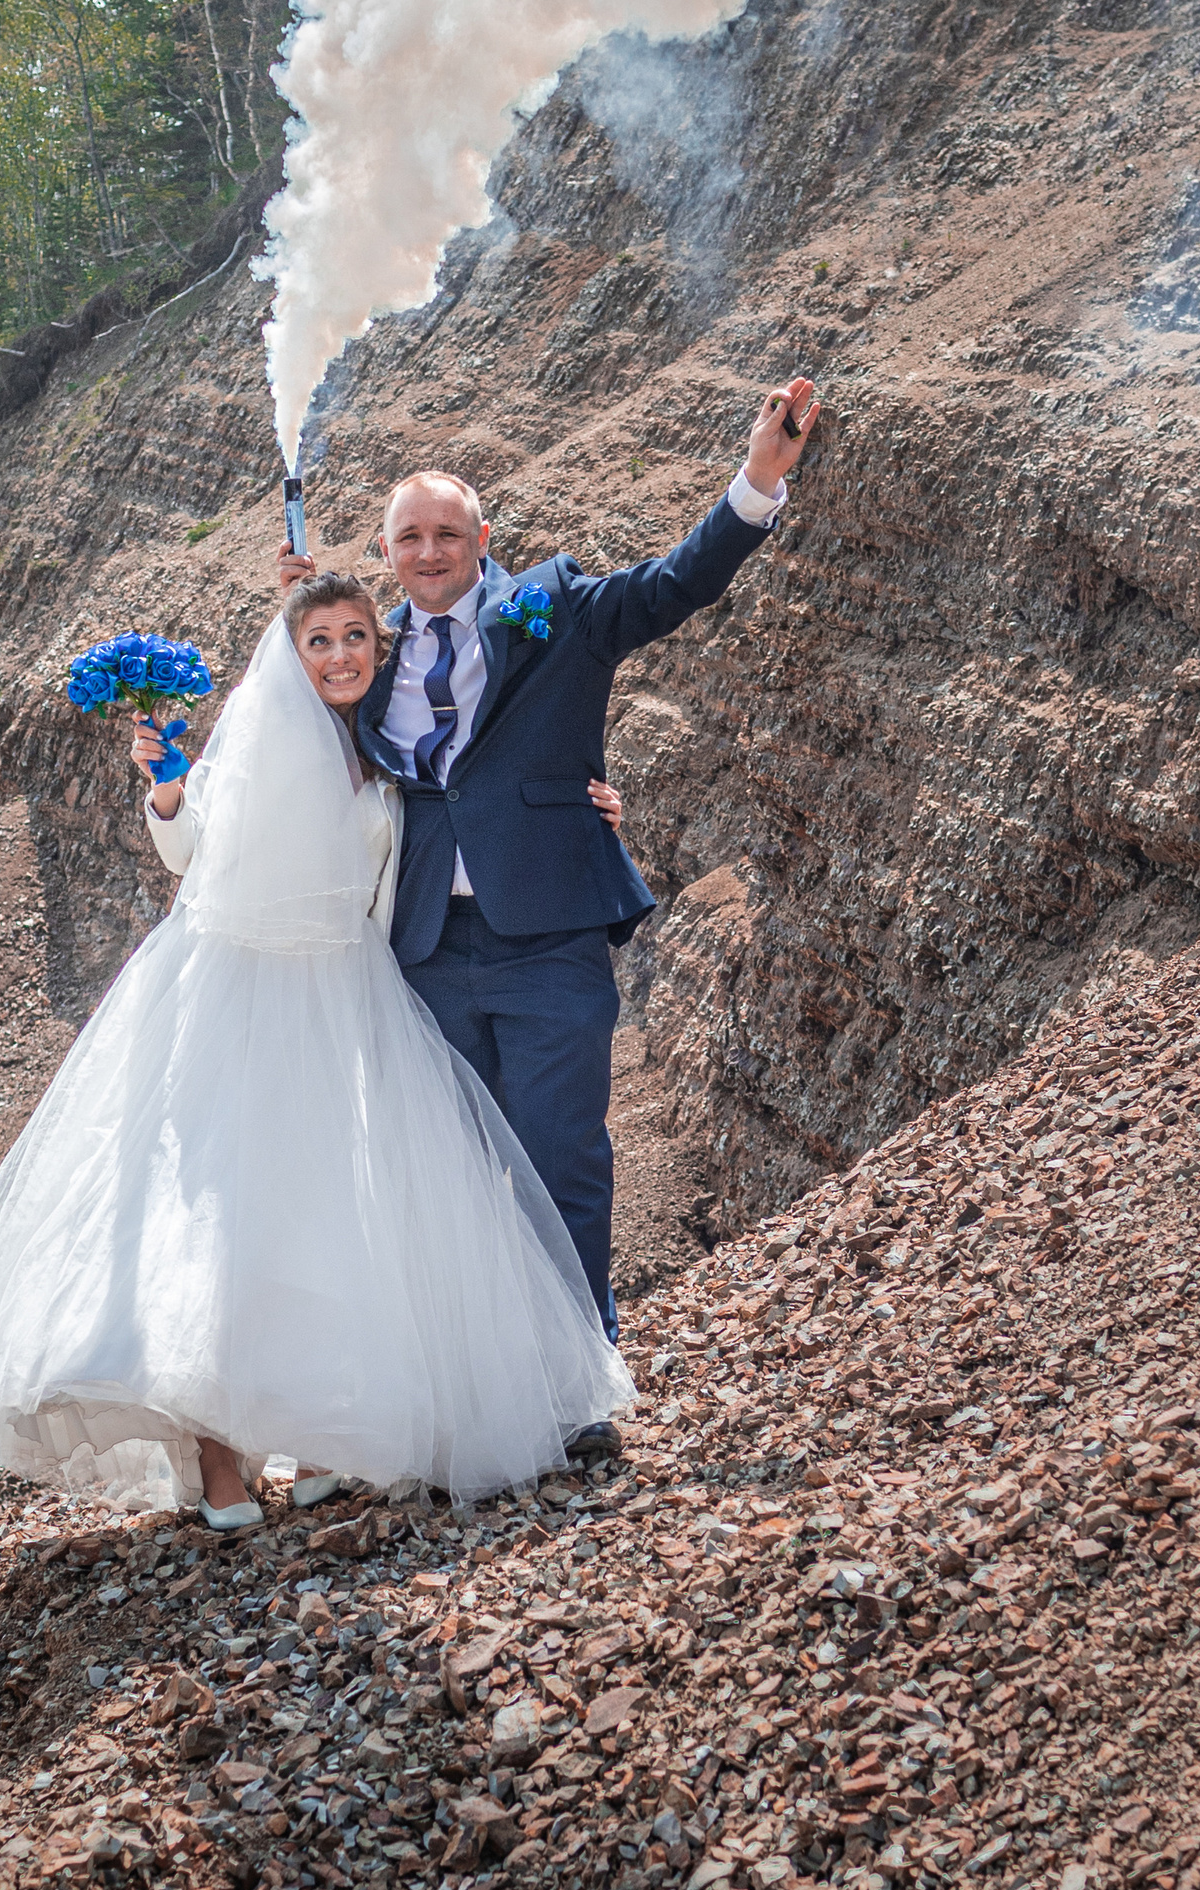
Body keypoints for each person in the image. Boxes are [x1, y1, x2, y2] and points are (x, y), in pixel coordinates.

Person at [0, 571, 635, 1522]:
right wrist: (167, 790)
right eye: (319, 641)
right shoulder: (254, 731)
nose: (339, 657)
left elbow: (461, 819)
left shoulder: (389, 749)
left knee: (329, 1215)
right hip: (242, 992)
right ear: (291, 655)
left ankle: (319, 1430)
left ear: (380, 650)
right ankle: (218, 1461)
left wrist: (590, 812)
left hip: (348, 996)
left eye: (355, 638)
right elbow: (189, 847)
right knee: (229, 1213)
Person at [276, 376, 820, 1433]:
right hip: (423, 951)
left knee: (561, 1152)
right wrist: (290, 615)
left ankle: (579, 1385)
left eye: (447, 532)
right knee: (458, 1174)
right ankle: (479, 1387)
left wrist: (756, 481)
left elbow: (674, 584)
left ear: (484, 537)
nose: (428, 552)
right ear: (385, 552)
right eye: (407, 537)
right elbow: (305, 758)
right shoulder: (360, 653)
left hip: (549, 939)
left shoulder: (557, 606)